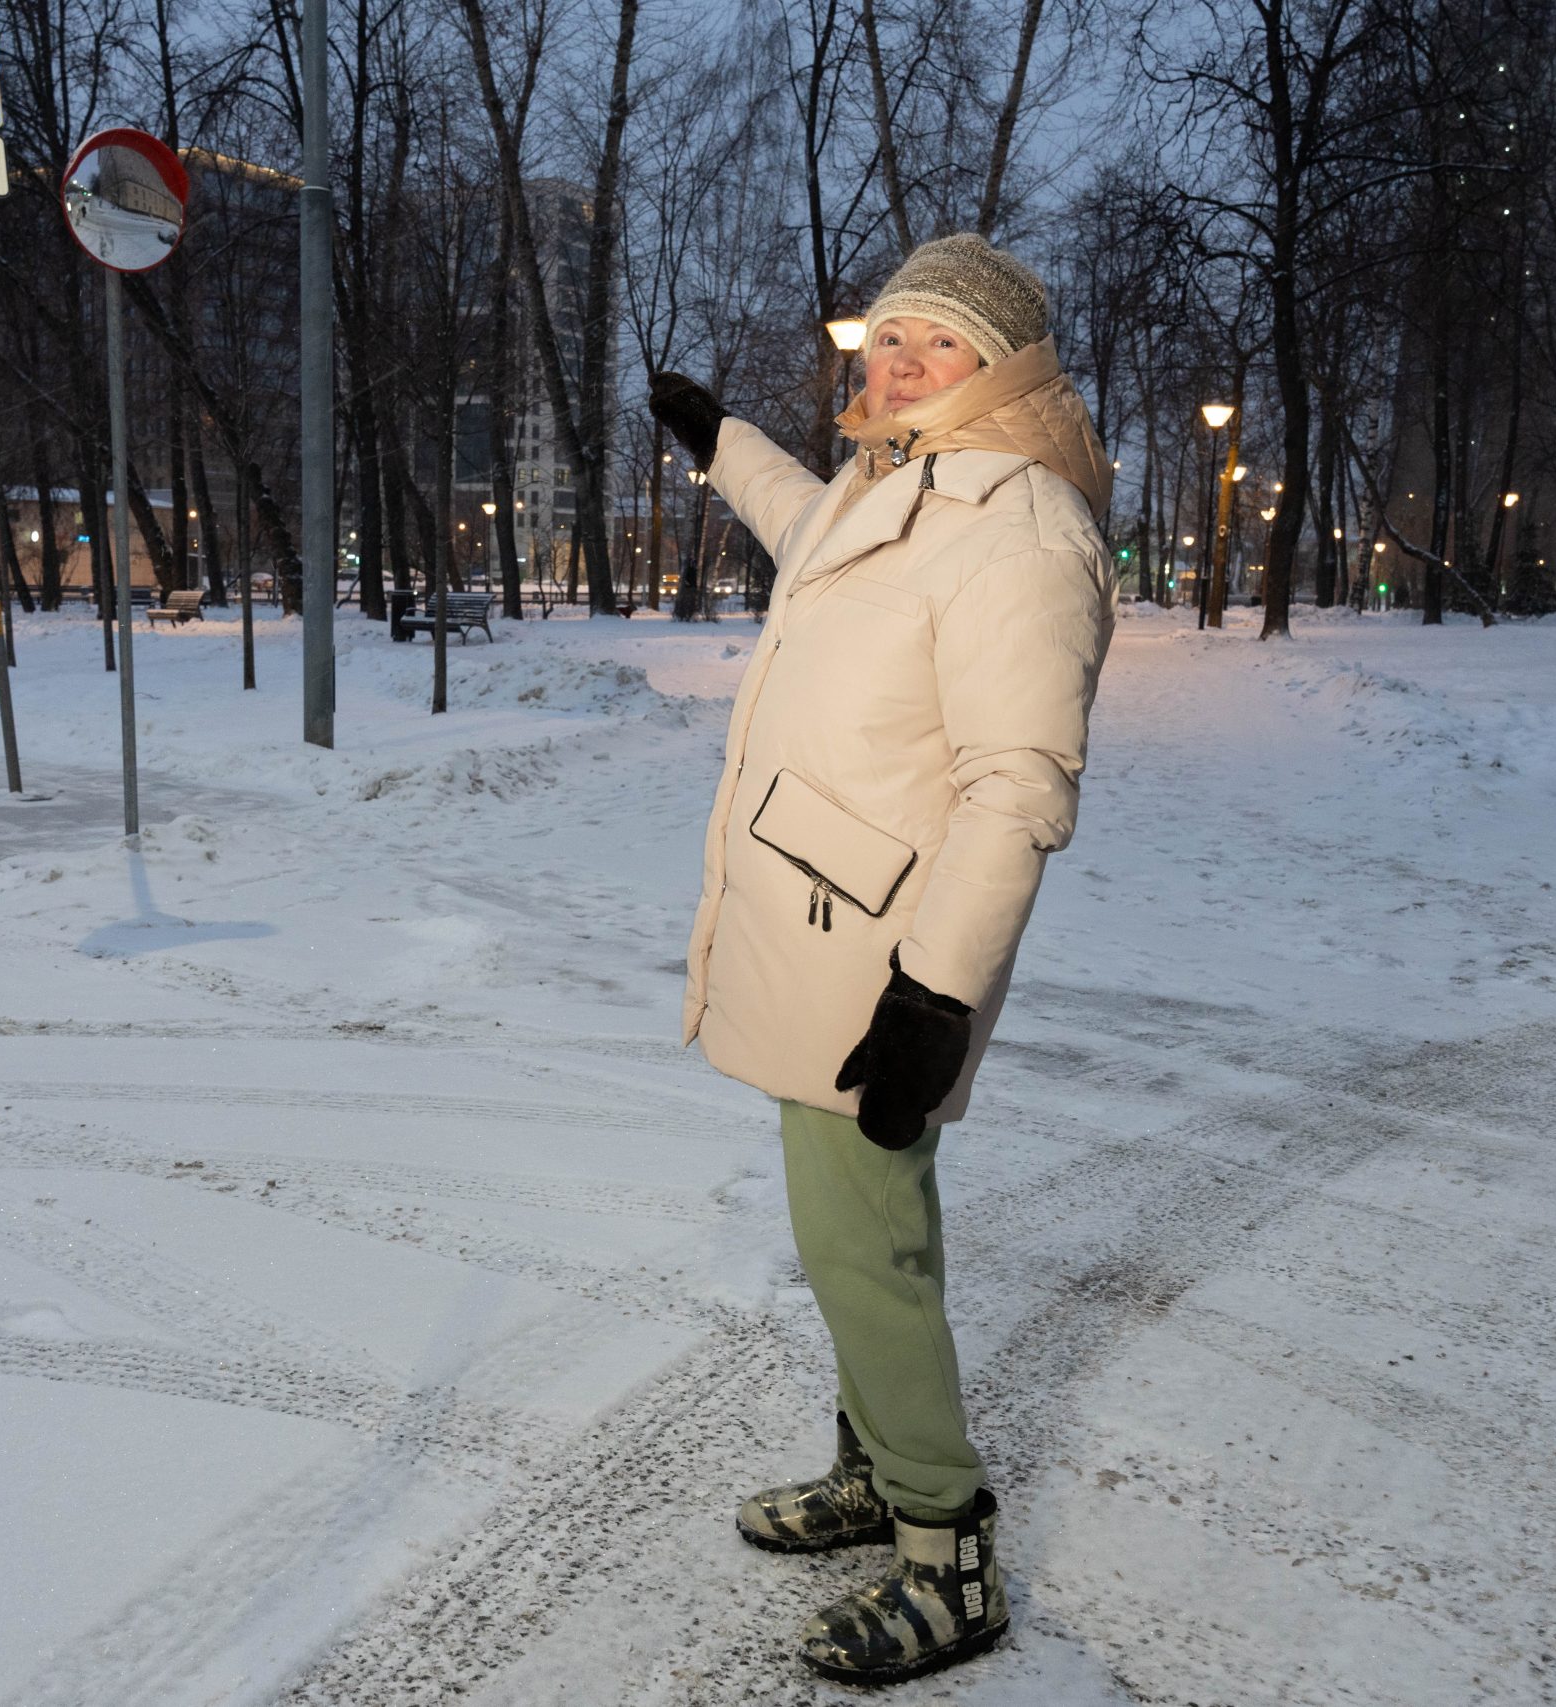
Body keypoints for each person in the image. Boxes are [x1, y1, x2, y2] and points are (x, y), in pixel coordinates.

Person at [648, 233, 1117, 1686]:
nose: (895, 362)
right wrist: (725, 444)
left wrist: (935, 995)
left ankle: (944, 1548)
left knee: (863, 1252)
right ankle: (872, 1471)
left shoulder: (1023, 525)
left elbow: (1019, 787)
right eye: (886, 337)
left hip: (881, 958)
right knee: (865, 1237)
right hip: (815, 919)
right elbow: (813, 533)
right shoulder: (897, 482)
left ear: (1005, 371)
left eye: (935, 345)